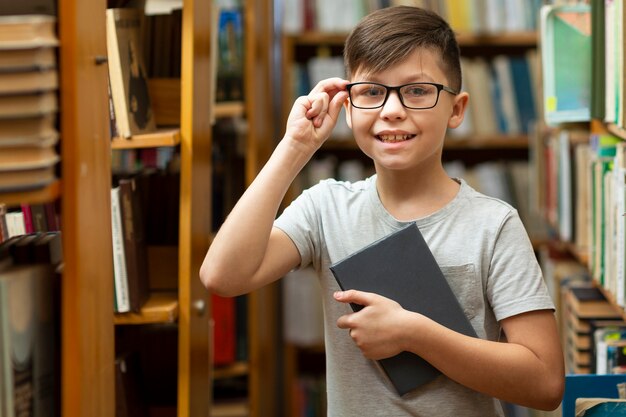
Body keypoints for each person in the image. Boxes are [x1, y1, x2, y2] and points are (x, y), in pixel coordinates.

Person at [200, 5, 564, 416]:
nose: (392, 109)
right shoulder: (326, 207)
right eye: (372, 91)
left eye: (418, 90)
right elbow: (222, 275)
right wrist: (295, 148)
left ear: (457, 109)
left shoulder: (494, 224)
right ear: (349, 106)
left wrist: (416, 334)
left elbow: (546, 382)